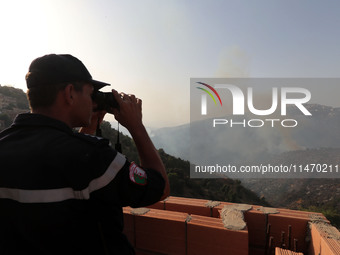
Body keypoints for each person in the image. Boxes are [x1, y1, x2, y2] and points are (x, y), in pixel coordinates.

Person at [0, 54, 170, 255]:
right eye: (91, 94)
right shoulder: (95, 158)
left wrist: (88, 130)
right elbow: (160, 188)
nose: (92, 102)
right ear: (70, 93)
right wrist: (137, 127)